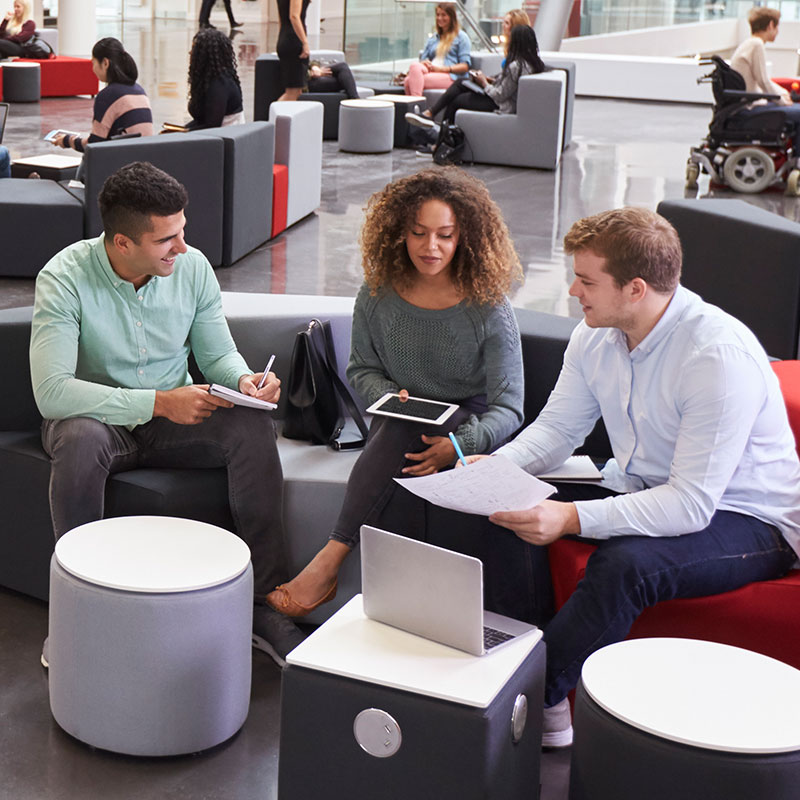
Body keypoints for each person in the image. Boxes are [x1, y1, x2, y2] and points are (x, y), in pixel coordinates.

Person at [459, 207, 800, 747]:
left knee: (626, 565)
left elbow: (690, 506)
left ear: (635, 288)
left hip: (749, 519)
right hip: (641, 483)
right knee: (502, 505)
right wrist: (498, 470)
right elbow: (557, 430)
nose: (573, 290)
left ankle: (530, 695)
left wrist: (570, 517)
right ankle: (526, 671)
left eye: (587, 280)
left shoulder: (715, 355)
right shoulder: (597, 336)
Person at [30, 161, 305, 666]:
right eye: (166, 240)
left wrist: (244, 380)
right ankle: (75, 614)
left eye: (182, 231)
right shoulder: (64, 278)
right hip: (97, 419)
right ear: (121, 244)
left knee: (249, 422)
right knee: (80, 438)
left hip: (170, 421)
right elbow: (52, 392)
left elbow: (217, 353)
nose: (182, 247)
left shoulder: (192, 268)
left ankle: (263, 604)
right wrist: (157, 402)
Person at [265, 167, 525, 617]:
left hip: (466, 421)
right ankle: (406, 610)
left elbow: (509, 407)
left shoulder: (488, 306)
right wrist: (387, 395)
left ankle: (332, 560)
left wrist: (458, 446)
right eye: (418, 233)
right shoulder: (378, 293)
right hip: (399, 419)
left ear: (464, 235)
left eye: (445, 235)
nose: (432, 247)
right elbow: (362, 370)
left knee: (405, 435)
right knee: (404, 430)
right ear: (398, 232)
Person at [406, 24, 544, 133]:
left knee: (457, 101)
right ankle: (431, 115)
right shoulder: (531, 63)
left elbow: (500, 95)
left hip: (501, 105)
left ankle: (441, 138)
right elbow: (508, 86)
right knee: (461, 82)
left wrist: (483, 83)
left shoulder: (516, 66)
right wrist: (489, 80)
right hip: (501, 100)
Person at [51, 38, 154, 152]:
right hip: (145, 163)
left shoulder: (108, 95)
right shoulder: (139, 90)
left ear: (105, 63)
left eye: (93, 63)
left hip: (123, 163)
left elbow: (94, 145)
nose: (93, 69)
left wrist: (67, 140)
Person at [729, 7, 800, 151]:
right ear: (770, 25)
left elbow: (763, 80)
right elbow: (763, 81)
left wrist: (782, 94)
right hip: (750, 107)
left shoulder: (749, 43)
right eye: (777, 26)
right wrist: (782, 101)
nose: (778, 31)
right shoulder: (757, 45)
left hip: (745, 104)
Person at [403, 3, 471, 97]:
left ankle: (416, 104)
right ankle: (416, 106)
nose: (439, 18)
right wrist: (425, 62)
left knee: (408, 81)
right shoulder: (434, 38)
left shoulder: (462, 37)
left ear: (451, 17)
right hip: (432, 70)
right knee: (414, 66)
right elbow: (423, 59)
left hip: (451, 76)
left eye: (443, 15)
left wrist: (442, 69)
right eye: (438, 15)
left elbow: (465, 66)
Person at [185, 28, 244, 128]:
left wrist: (182, 132)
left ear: (204, 55)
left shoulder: (220, 84)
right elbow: (201, 121)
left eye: (195, 49)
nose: (190, 52)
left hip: (226, 138)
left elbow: (212, 125)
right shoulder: (208, 79)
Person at [276, 0, 310, 101]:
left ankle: (275, 115)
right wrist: (305, 42)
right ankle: (273, 116)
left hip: (286, 39)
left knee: (296, 92)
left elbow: (281, 20)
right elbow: (294, 16)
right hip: (293, 41)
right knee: (292, 93)